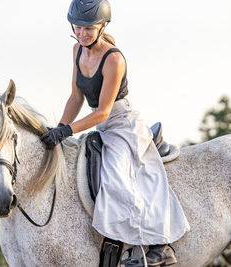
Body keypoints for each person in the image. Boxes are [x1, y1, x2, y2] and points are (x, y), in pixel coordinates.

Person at [40, 0, 190, 266]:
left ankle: (157, 248)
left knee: (117, 179)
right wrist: (58, 130)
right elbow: (76, 97)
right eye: (77, 27)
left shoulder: (114, 59)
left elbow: (103, 112)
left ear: (103, 25)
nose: (82, 33)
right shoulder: (77, 50)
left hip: (123, 124)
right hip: (100, 125)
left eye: (89, 28)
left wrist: (68, 131)